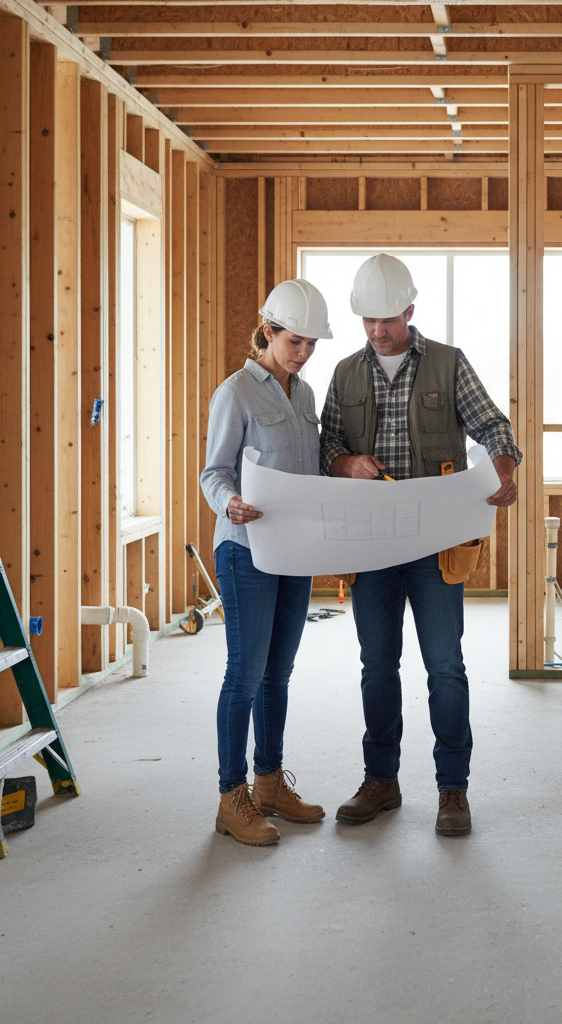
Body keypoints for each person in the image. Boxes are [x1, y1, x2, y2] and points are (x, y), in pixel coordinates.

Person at [320, 253, 521, 837]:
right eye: (368, 321)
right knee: (377, 666)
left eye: (388, 319)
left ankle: (452, 790)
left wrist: (504, 470)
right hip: (371, 548)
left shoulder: (449, 365)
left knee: (445, 667)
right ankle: (380, 780)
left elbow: (494, 427)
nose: (378, 331)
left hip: (437, 546)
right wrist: (345, 461)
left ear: (410, 310)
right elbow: (327, 443)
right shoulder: (344, 374)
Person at [200, 279, 331, 846]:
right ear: (268, 331)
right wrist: (228, 500)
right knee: (245, 675)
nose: (303, 352)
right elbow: (214, 472)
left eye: (311, 344)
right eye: (294, 340)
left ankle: (271, 784)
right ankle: (233, 798)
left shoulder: (303, 396)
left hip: (293, 550)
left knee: (279, 672)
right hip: (244, 550)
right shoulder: (236, 392)